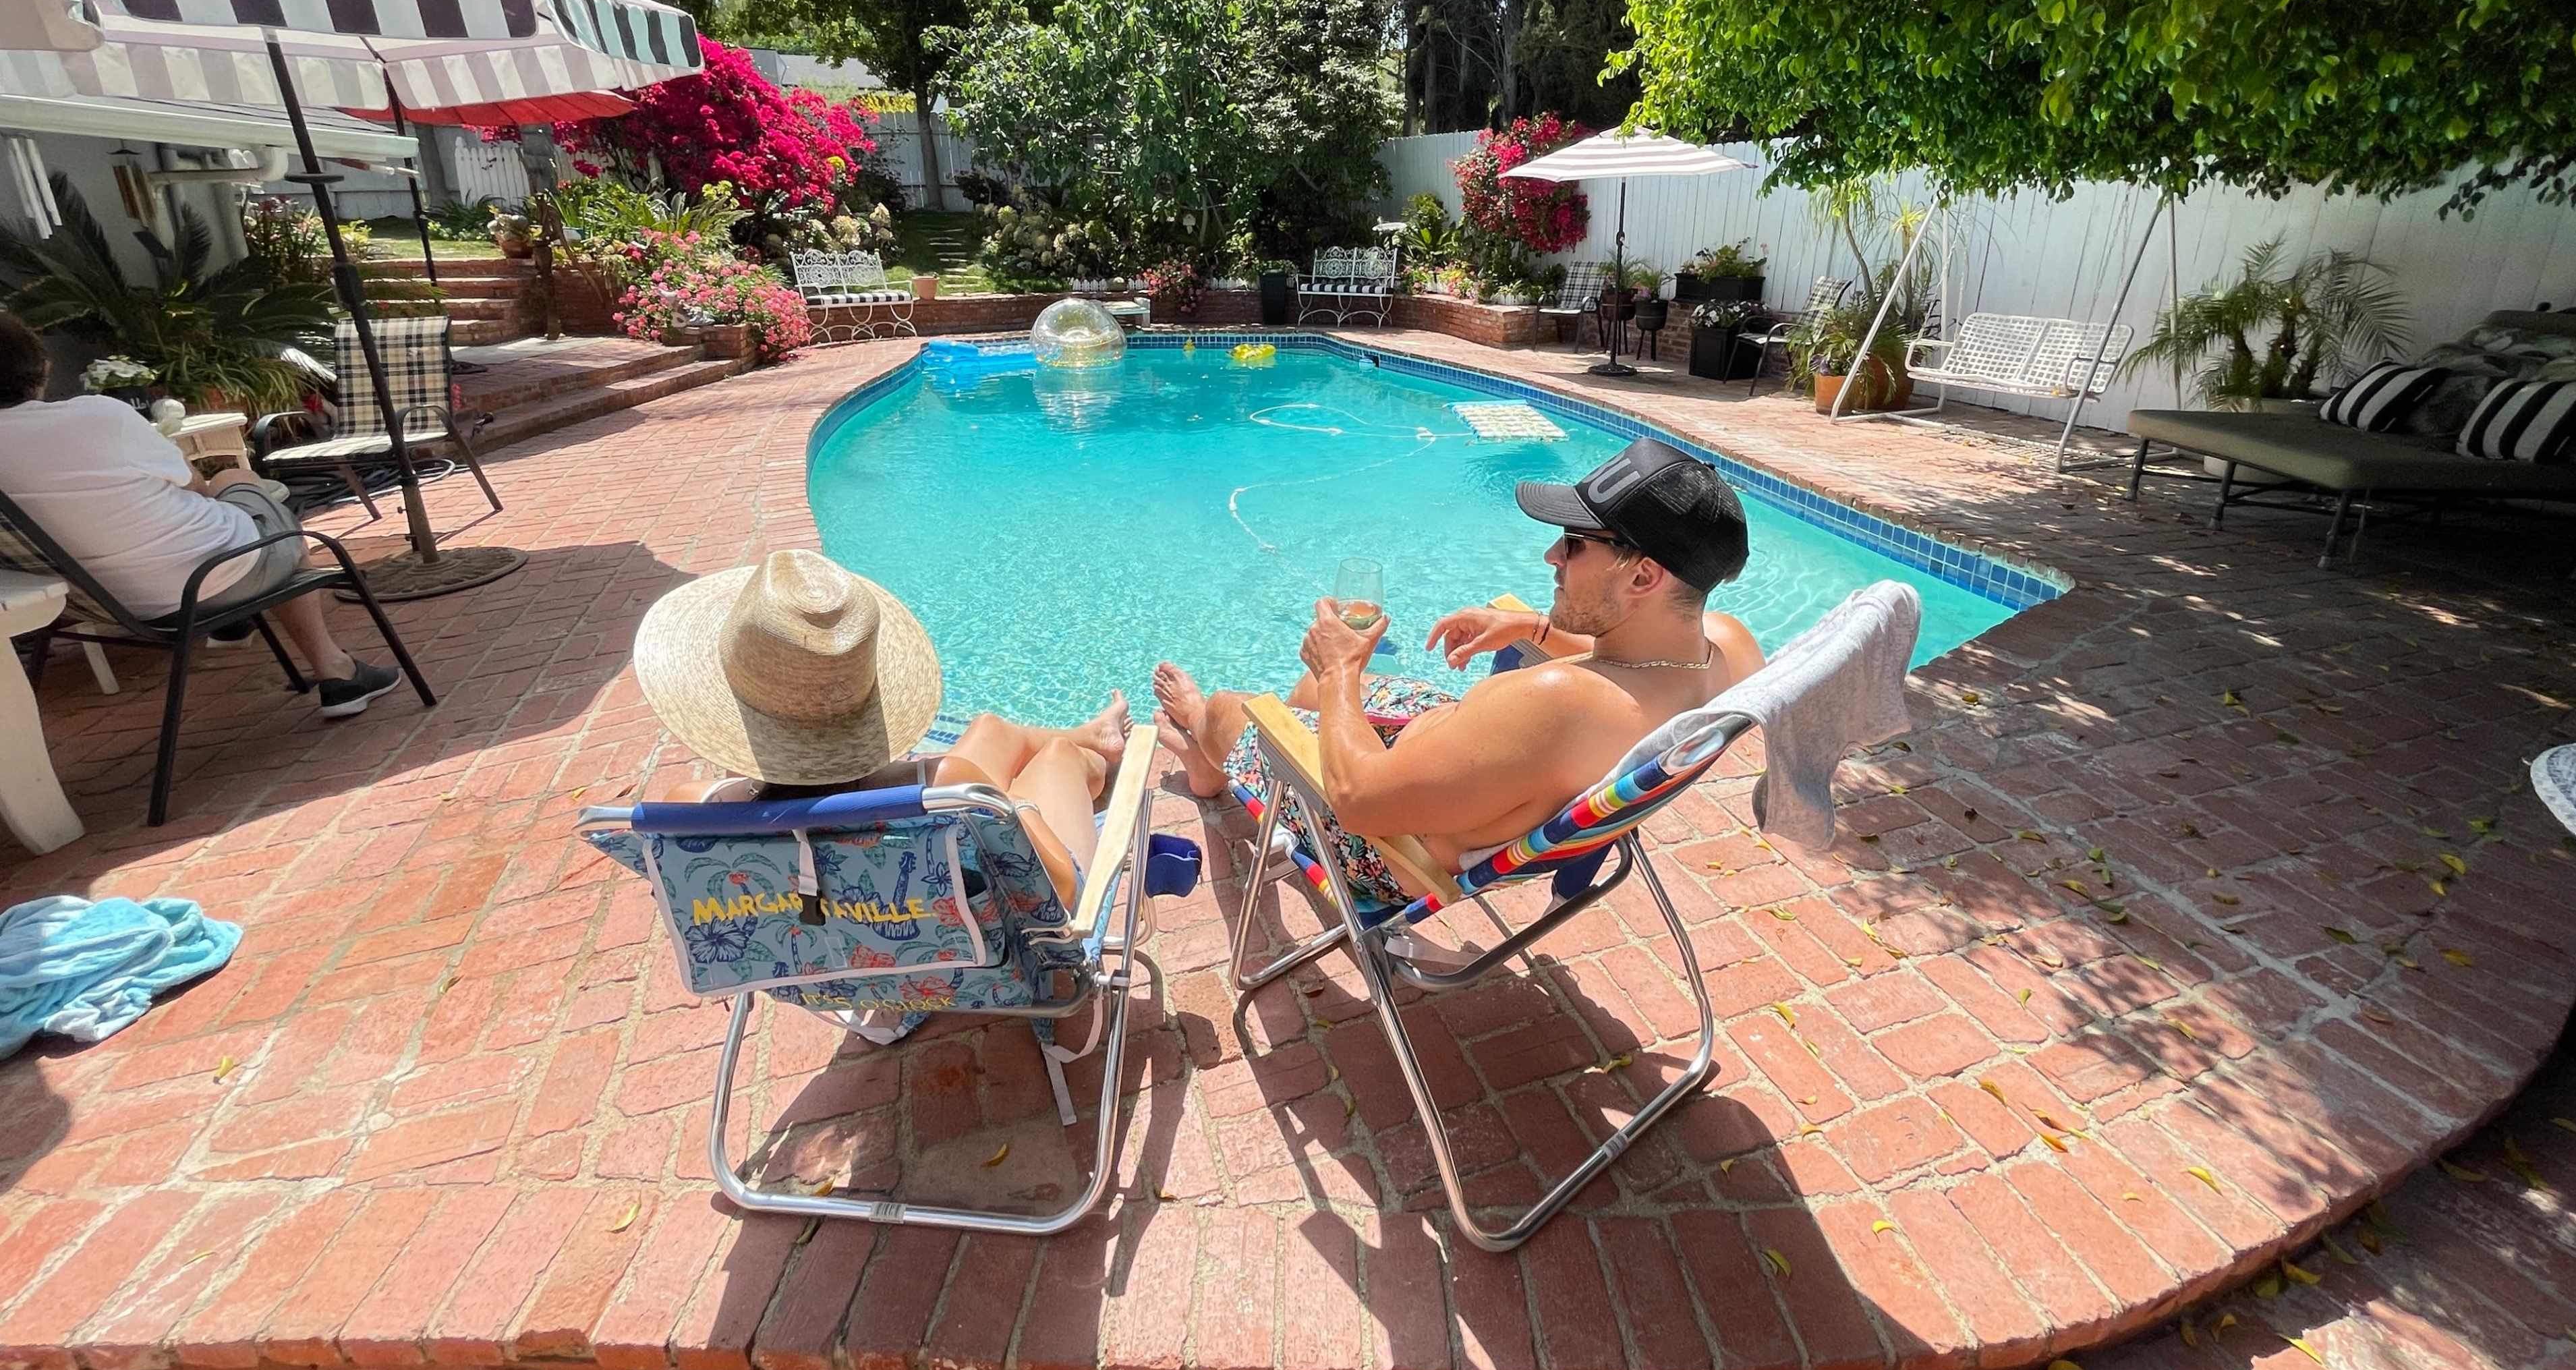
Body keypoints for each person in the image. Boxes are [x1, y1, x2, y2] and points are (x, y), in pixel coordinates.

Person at [1153, 436, 1765, 901]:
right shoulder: (1730, 648)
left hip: (1391, 843)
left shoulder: (1557, 702)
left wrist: (1343, 669)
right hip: (1463, 762)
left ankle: (1205, 742)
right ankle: (1214, 761)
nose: (1552, 553)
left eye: (1576, 542)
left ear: (1643, 575)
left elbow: (1359, 802)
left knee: (1239, 706)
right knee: (1309, 689)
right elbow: (1635, 664)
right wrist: (1536, 628)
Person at [633, 545, 1128, 909]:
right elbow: (1060, 890)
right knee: (1060, 759)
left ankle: (1092, 736)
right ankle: (1087, 755)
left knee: (991, 728)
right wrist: (1018, 805)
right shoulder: (955, 790)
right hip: (973, 947)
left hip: (830, 952)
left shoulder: (684, 812)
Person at [0, 312, 402, 716]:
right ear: (43, 366)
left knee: (231, 502)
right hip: (206, 579)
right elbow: (194, 485)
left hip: (107, 604)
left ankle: (234, 625)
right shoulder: (95, 415)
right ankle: (336, 671)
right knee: (253, 497)